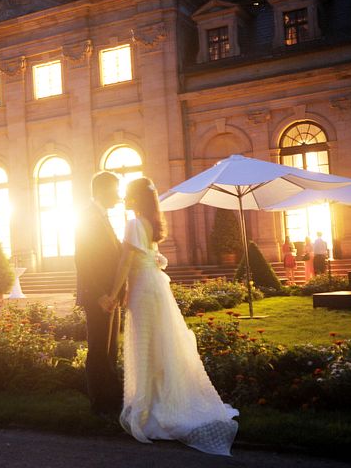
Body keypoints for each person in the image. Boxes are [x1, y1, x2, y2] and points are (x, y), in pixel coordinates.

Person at [103, 177, 238, 456]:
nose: (125, 198)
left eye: (128, 194)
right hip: (154, 287)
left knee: (147, 345)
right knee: (160, 344)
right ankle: (160, 399)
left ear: (136, 198)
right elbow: (148, 260)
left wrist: (114, 293)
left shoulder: (133, 224)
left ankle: (151, 406)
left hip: (144, 289)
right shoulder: (150, 223)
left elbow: (126, 261)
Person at [74, 171, 124, 418]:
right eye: (116, 189)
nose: (119, 195)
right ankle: (99, 405)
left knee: (110, 350)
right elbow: (83, 261)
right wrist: (99, 295)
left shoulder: (101, 216)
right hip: (99, 298)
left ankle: (111, 400)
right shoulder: (87, 217)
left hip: (110, 296)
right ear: (103, 190)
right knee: (98, 351)